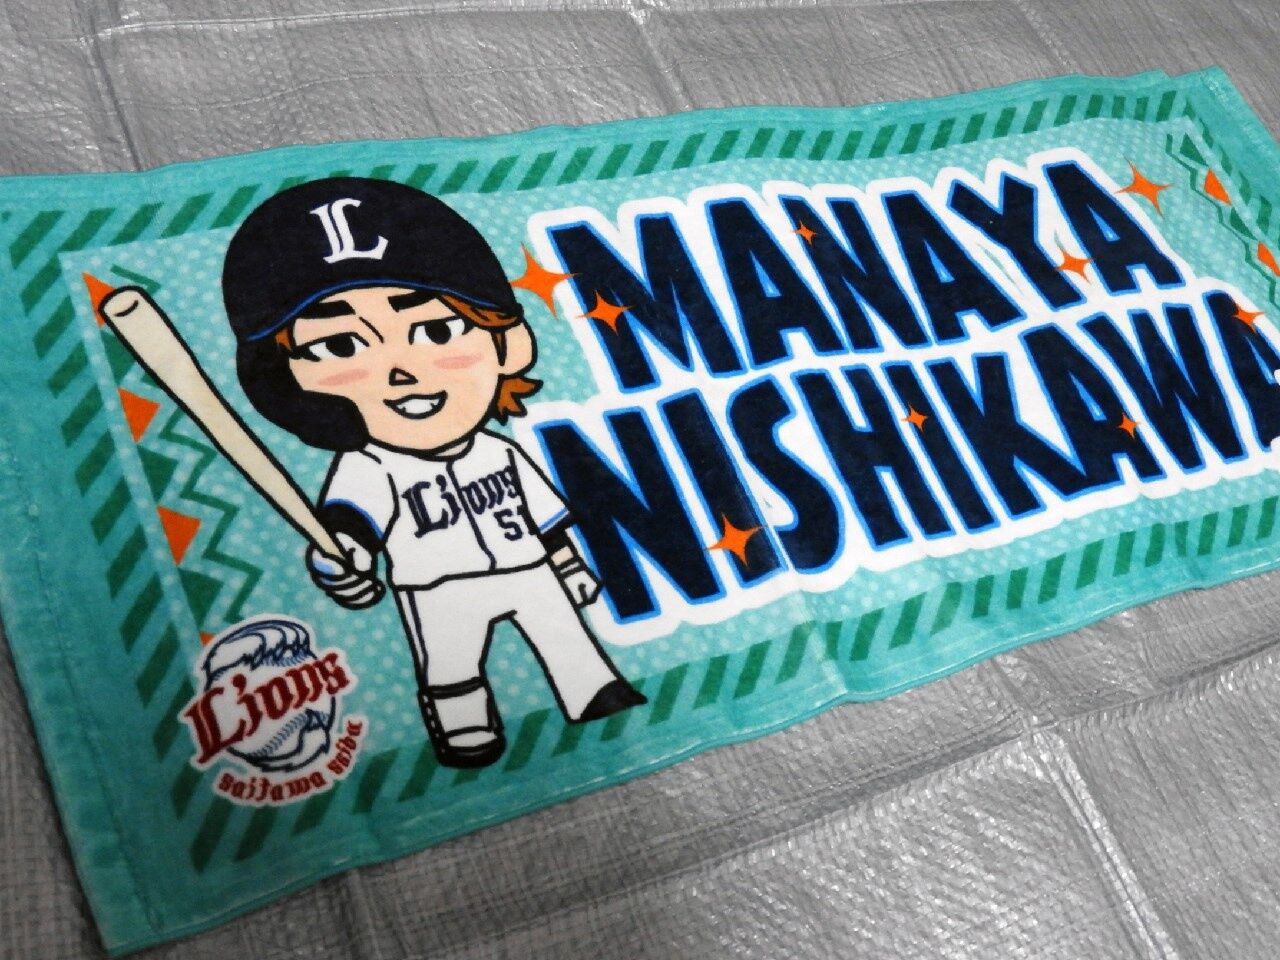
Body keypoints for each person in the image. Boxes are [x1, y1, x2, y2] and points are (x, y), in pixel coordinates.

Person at [221, 177, 645, 769]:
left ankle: (592, 690)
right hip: (437, 587)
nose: (401, 372)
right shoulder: (369, 465)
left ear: (509, 344)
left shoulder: (497, 451)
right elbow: (348, 527)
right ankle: (464, 727)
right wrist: (341, 562)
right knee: (450, 664)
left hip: (528, 568)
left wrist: (570, 566)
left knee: (565, 633)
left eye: (438, 331)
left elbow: (545, 519)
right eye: (340, 346)